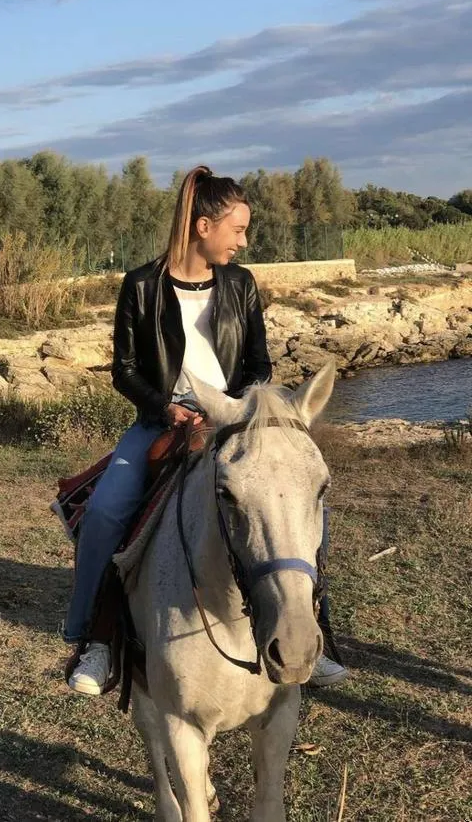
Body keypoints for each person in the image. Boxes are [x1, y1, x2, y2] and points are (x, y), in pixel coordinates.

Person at [63, 165, 347, 694]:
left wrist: (237, 410)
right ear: (203, 227)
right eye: (238, 229)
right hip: (163, 422)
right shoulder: (141, 285)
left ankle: (317, 634)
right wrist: (166, 408)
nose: (244, 241)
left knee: (306, 509)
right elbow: (125, 370)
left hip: (234, 423)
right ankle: (95, 640)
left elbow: (259, 364)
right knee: (104, 512)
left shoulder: (241, 285)